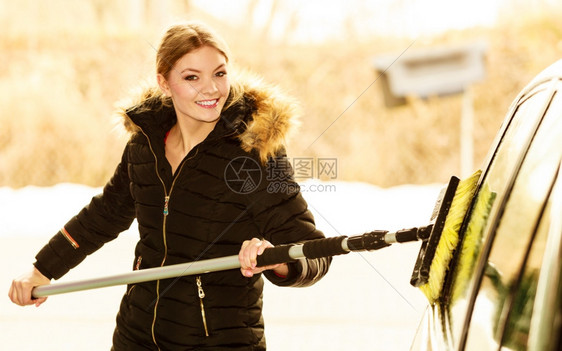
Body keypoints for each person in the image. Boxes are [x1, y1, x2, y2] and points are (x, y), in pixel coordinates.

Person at [8, 22, 331, 350]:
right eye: (192, 77)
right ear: (164, 83)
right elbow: (105, 214)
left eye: (219, 74)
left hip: (220, 341)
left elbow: (313, 251)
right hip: (137, 335)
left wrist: (275, 259)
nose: (211, 89)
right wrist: (42, 269)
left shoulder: (254, 152)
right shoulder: (145, 144)